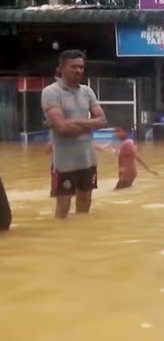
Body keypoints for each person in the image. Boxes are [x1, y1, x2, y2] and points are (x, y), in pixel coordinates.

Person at [42, 50, 107, 219]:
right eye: (73, 67)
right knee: (63, 210)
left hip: (87, 159)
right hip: (63, 162)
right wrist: (88, 124)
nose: (78, 70)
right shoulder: (51, 92)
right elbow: (62, 128)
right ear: (61, 68)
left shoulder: (87, 91)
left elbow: (103, 121)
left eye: (81, 67)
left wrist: (73, 121)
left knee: (85, 207)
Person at [112, 125, 158, 190]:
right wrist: (148, 169)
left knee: (117, 192)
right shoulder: (126, 143)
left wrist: (148, 169)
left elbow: (136, 156)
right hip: (128, 173)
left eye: (118, 132)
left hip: (127, 173)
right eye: (115, 132)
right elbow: (135, 156)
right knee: (124, 191)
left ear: (126, 132)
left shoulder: (127, 143)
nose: (116, 134)